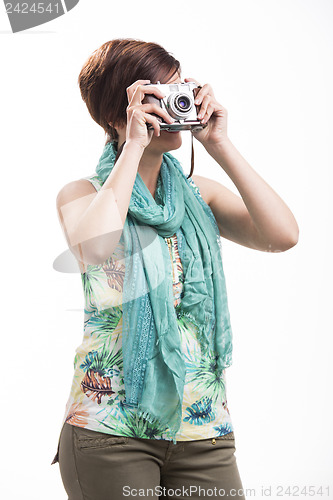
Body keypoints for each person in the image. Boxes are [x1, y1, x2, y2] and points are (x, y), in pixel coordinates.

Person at [52, 38, 299, 500]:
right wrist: (131, 145)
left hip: (203, 429)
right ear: (118, 111)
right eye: (157, 94)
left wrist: (219, 144)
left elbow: (282, 235)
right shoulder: (82, 195)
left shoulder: (197, 195)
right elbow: (95, 248)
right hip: (111, 430)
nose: (175, 101)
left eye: (179, 87)